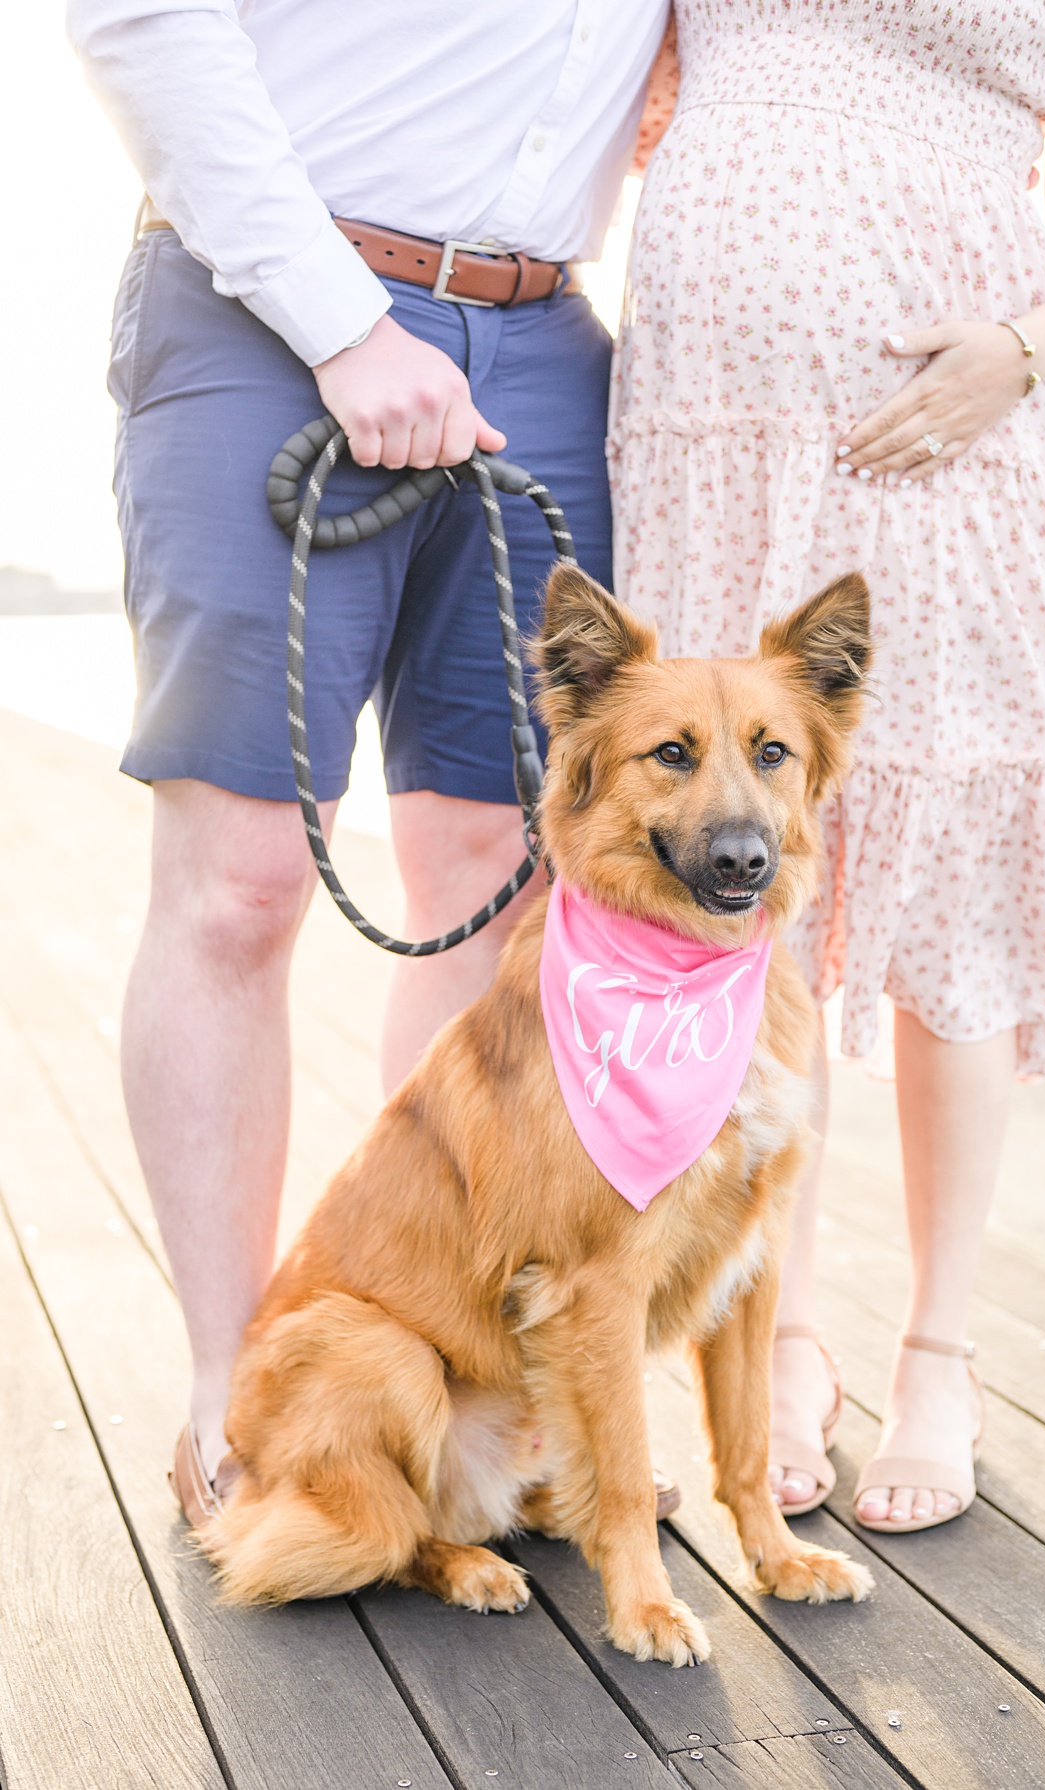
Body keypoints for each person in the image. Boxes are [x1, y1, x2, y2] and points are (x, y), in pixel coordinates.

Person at [70, 0, 675, 1524]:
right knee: (241, 883)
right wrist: (344, 324)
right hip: (264, 303)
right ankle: (239, 1390)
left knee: (490, 877)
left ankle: (453, 1366)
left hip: (549, 342)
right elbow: (142, 19)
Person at [613, 0, 1045, 1533]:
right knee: (736, 885)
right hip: (707, 434)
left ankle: (940, 1351)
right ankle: (778, 1338)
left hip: (958, 433)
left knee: (959, 889)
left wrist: (1035, 340)